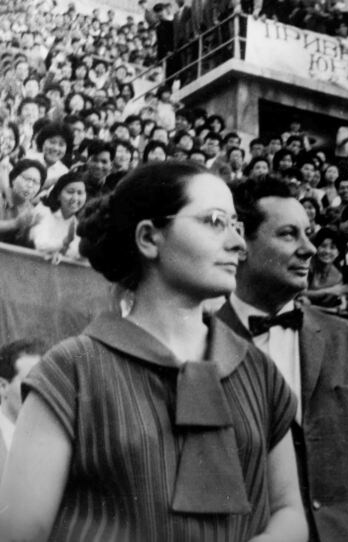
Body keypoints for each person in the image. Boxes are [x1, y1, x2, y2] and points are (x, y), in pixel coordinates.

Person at [0, 162, 307, 541]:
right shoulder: (70, 371)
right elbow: (20, 531)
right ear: (148, 237)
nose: (238, 244)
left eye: (236, 226)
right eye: (214, 221)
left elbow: (289, 511)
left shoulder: (260, 372)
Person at [217, 178, 348, 542]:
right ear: (240, 242)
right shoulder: (200, 343)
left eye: (307, 234)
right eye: (288, 234)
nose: (309, 249)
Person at [0, 338, 44, 473]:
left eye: (45, 384)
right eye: (30, 383)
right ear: (3, 387)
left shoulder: (57, 438)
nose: (41, 392)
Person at [25, 171, 87, 262]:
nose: (75, 198)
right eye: (70, 192)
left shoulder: (80, 221)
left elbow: (79, 254)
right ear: (58, 195)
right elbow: (39, 244)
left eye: (80, 193)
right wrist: (65, 242)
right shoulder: (43, 210)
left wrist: (62, 252)